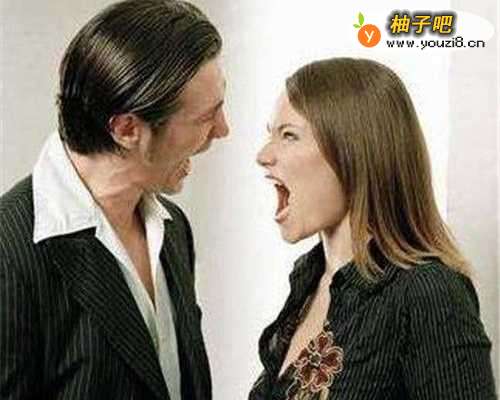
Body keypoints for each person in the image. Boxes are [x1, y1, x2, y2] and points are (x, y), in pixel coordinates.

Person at [0, 1, 228, 399]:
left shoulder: (173, 228)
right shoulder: (8, 252)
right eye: (206, 117)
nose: (223, 130)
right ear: (126, 129)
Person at [249, 57, 496, 399]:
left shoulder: (428, 293)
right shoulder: (308, 279)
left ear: (354, 152)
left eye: (289, 136)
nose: (263, 155)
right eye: (271, 134)